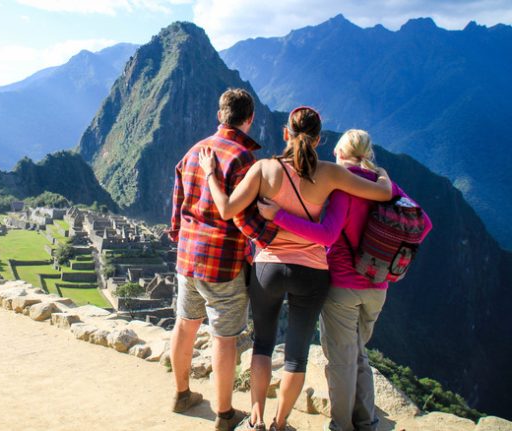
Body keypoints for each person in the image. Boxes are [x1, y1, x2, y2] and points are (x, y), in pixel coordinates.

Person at [198, 107, 393, 431]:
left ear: (285, 133)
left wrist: (210, 174)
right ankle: (280, 422)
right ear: (318, 139)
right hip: (312, 273)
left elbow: (227, 208)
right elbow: (382, 192)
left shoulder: (264, 169)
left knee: (262, 345)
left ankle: (257, 420)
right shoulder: (330, 173)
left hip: (269, 268)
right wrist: (383, 173)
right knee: (296, 355)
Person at [256, 129, 432, 431]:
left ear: (339, 153)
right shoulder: (385, 185)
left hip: (344, 287)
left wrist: (278, 217)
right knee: (358, 353)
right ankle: (366, 422)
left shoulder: (341, 185)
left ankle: (341, 426)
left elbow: (327, 234)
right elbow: (424, 223)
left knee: (341, 361)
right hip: (378, 286)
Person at [167, 88, 278, 431]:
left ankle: (182, 393)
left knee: (185, 324)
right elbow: (246, 217)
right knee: (223, 337)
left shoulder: (192, 153)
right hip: (224, 264)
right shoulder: (245, 159)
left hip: (188, 257)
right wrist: (271, 233)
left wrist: (182, 238)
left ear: (220, 115)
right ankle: (224, 414)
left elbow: (177, 209)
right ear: (250, 119)